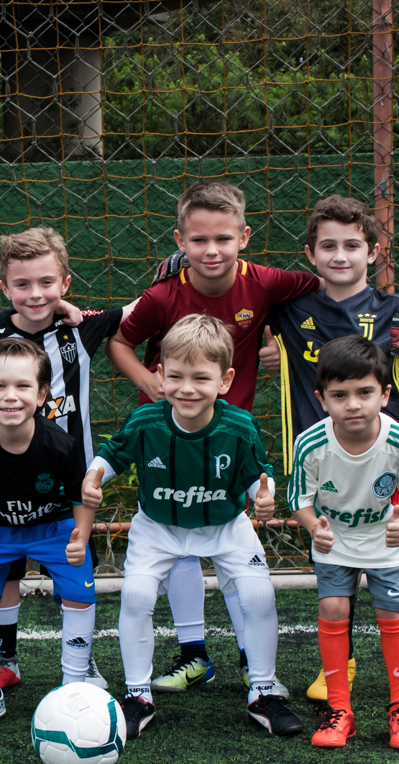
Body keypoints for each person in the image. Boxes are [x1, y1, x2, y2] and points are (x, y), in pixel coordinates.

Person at [106, 181, 318, 694]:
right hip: (167, 432)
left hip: (228, 435)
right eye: (198, 241)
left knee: (231, 549)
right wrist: (145, 379)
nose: (211, 251)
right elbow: (119, 340)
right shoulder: (163, 295)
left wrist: (282, 342)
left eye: (223, 238)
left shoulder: (266, 283)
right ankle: (194, 655)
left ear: (244, 237)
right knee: (178, 544)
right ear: (181, 240)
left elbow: (319, 290)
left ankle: (254, 665)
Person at [262, 194, 399, 704]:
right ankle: (343, 665)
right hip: (324, 466)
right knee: (339, 575)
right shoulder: (290, 310)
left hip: (391, 467)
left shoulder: (395, 309)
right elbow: (234, 305)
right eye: (328, 245)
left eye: (353, 245)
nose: (340, 255)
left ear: (374, 252)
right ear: (310, 253)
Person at [86, 314, 304, 739]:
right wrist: (93, 478)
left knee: (259, 593)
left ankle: (262, 692)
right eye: (178, 376)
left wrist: (265, 496)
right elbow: (111, 455)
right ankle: (137, 696)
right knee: (135, 594)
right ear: (161, 374)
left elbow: (259, 474)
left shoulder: (238, 426)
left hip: (223, 525)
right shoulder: (146, 422)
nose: (187, 388)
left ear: (225, 380)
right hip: (159, 526)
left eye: (201, 378)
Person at [0, 226, 129, 692]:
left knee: (74, 569)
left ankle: (82, 662)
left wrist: (180, 267)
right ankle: (5, 654)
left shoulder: (80, 326)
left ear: (65, 283)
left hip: (69, 481)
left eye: (47, 283)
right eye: (23, 285)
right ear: (5, 288)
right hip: (2, 483)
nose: (36, 294)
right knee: (4, 572)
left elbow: (142, 311)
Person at [0, 338, 97, 733]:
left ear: (41, 394)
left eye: (23, 387)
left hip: (53, 526)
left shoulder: (61, 443)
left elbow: (79, 495)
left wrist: (80, 536)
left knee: (81, 590)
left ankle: (73, 687)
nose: (11, 397)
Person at [289, 335, 399, 750]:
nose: (353, 404)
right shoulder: (310, 444)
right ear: (322, 399)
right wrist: (314, 526)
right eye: (340, 395)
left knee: (392, 612)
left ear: (385, 395)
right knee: (334, 606)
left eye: (365, 392)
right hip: (335, 542)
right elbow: (298, 500)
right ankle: (339, 710)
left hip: (383, 540)